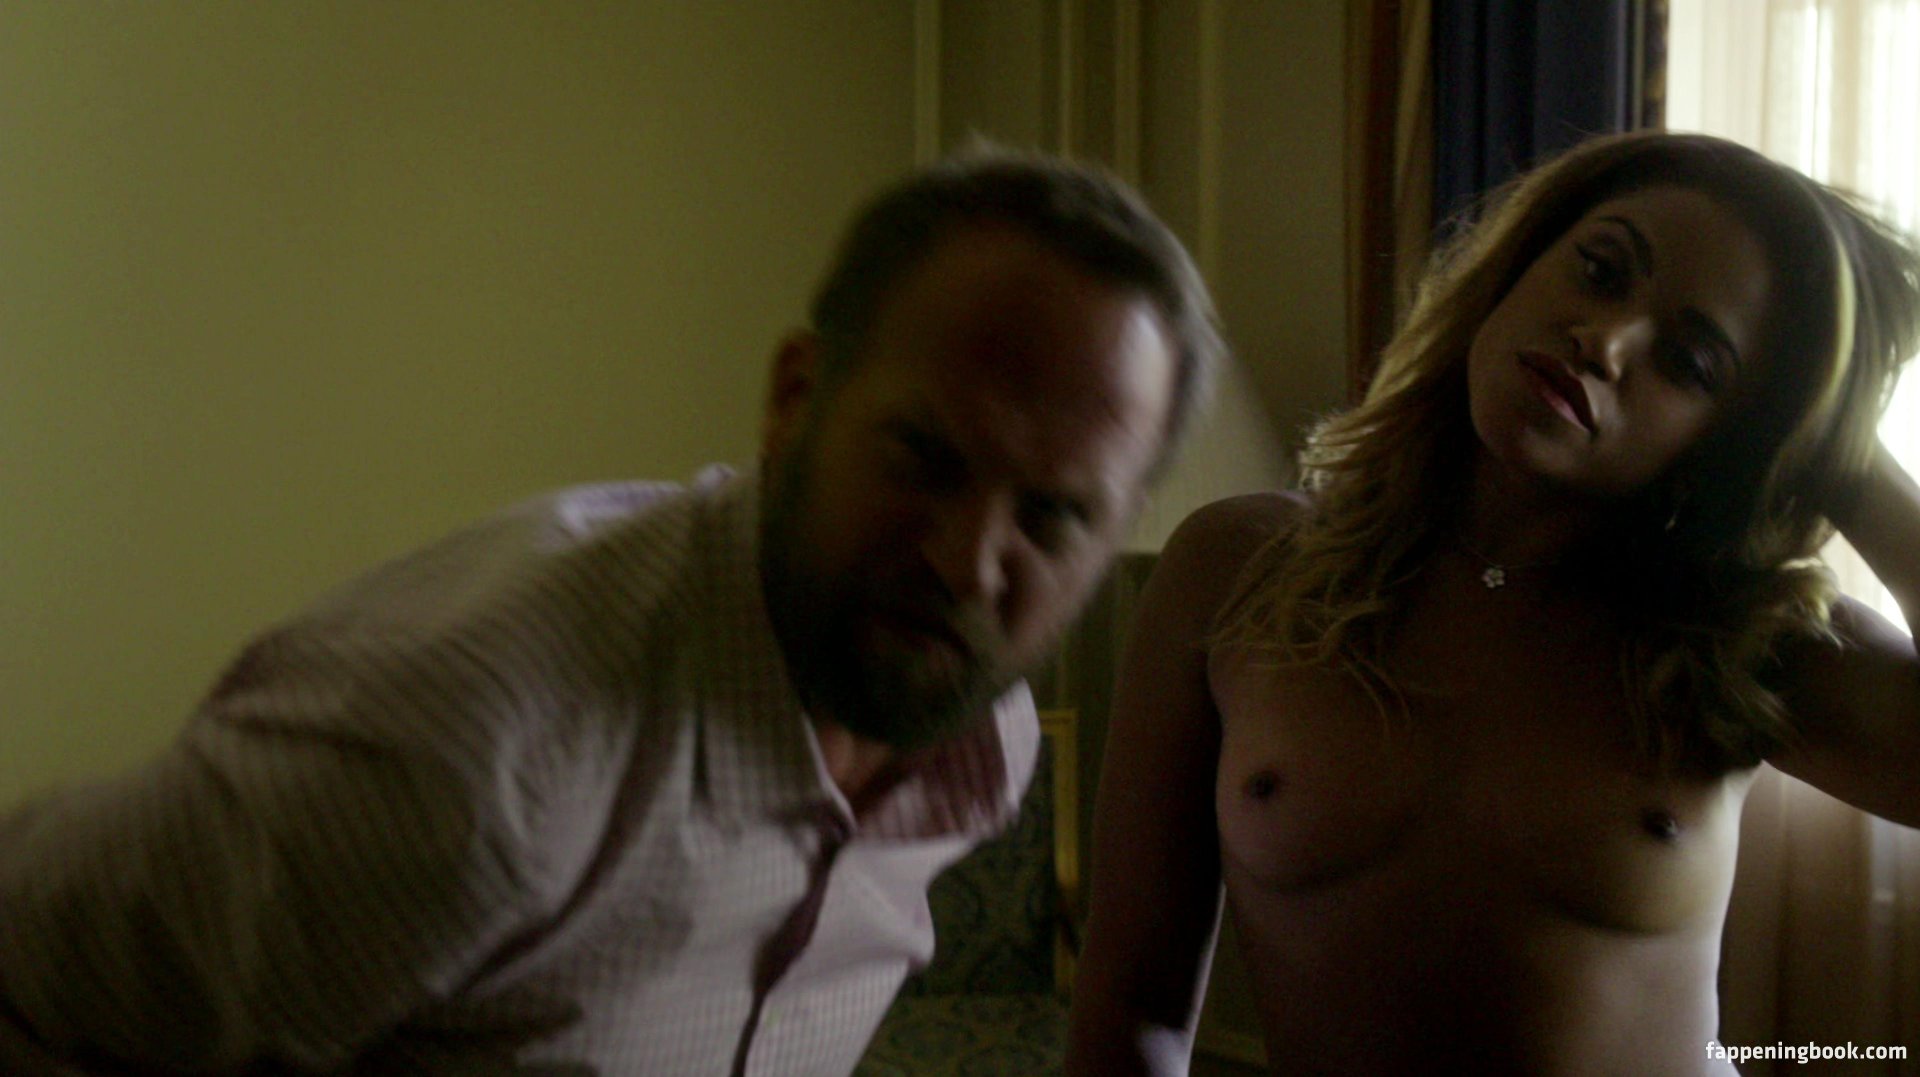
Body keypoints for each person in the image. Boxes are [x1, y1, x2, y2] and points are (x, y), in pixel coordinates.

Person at [0, 148, 1221, 1075]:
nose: (967, 562)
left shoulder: (978, 746)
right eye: (922, 456)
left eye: (1053, 516)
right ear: (795, 399)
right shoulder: (470, 758)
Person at [1065, 130, 1920, 1076]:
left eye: (1688, 361)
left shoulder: (1743, 641)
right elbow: (1132, 1003)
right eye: (1599, 271)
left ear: (1733, 441)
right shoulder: (1236, 569)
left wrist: (1846, 461)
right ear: (1515, 268)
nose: (1605, 340)